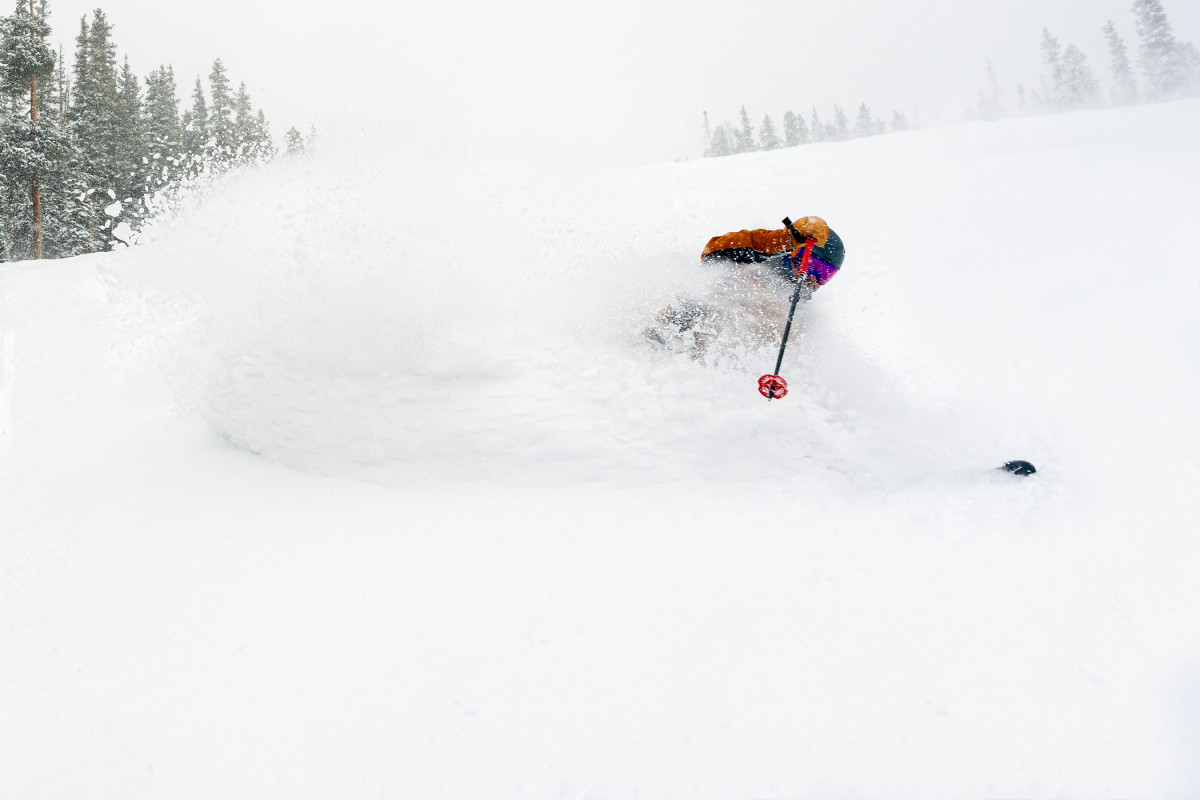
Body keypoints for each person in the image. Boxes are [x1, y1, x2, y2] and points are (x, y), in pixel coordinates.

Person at [645, 216, 845, 357]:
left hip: (728, 370)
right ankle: (661, 340)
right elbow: (715, 250)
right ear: (795, 253)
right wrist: (786, 240)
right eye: (812, 265)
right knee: (729, 284)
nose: (813, 278)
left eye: (825, 274)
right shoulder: (756, 261)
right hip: (676, 346)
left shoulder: (800, 307)